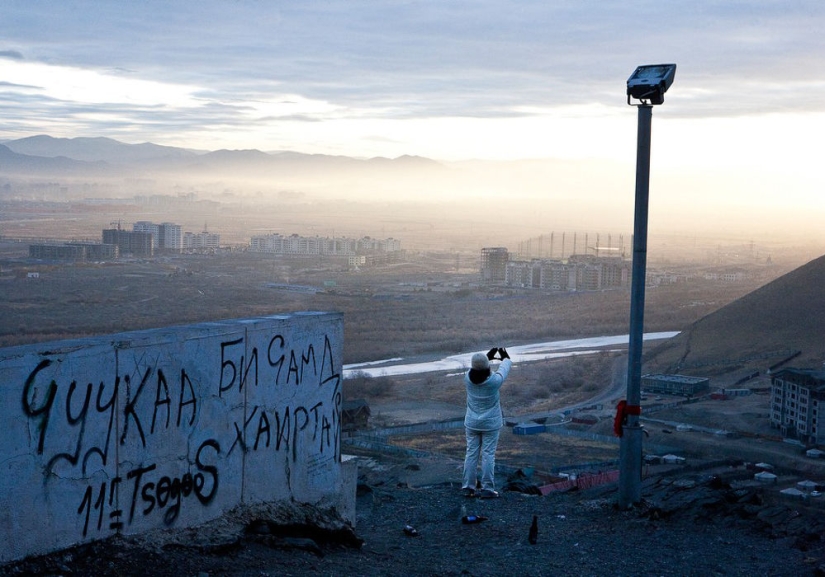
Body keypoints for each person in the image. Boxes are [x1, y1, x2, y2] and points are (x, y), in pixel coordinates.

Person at [462, 346, 512, 499]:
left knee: (471, 454)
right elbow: (504, 368)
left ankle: (468, 487)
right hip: (490, 424)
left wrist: (486, 357)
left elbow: (478, 368)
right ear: (487, 368)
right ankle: (487, 488)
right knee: (488, 455)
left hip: (472, 423)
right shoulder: (494, 382)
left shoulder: (467, 379)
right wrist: (505, 356)